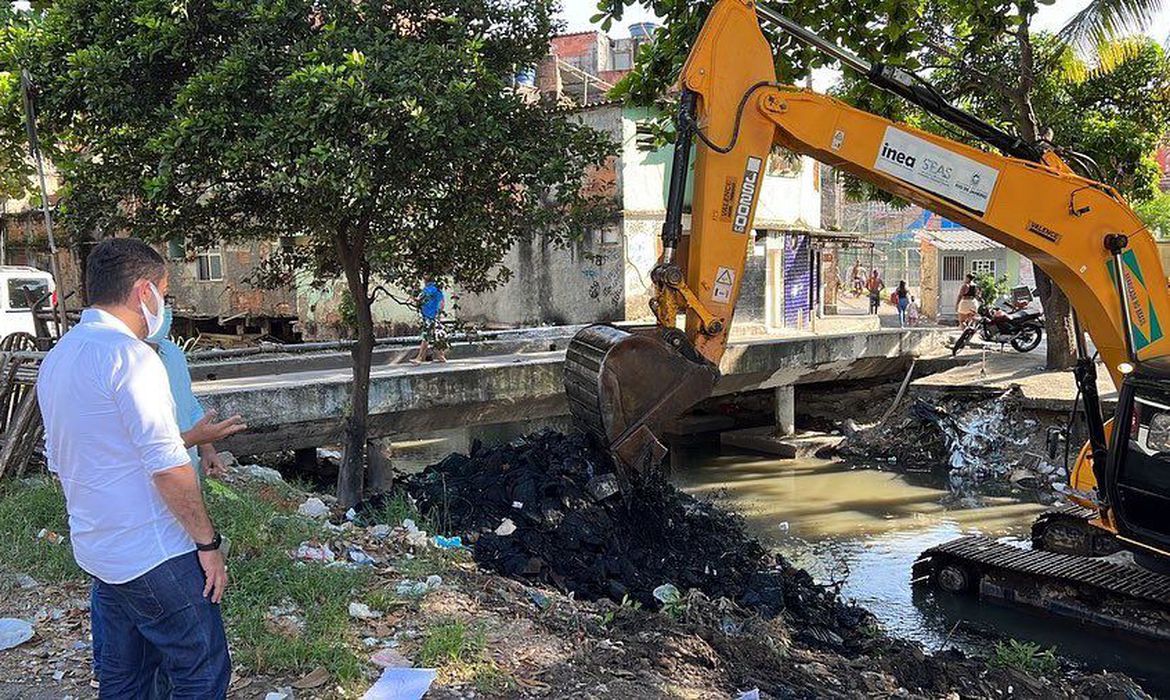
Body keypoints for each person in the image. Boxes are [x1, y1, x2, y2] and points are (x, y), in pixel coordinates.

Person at [38, 239, 241, 697]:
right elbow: (168, 465)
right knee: (201, 670)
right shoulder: (131, 358)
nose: (163, 305)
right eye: (164, 292)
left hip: (100, 550)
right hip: (153, 552)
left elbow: (63, 459)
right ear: (144, 292)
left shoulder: (59, 357)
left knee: (125, 677)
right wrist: (208, 543)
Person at [411, 278, 448, 364]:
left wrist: (438, 314)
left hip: (430, 316)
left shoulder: (431, 289)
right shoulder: (429, 289)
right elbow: (419, 301)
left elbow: (441, 302)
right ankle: (440, 356)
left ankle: (420, 357)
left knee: (426, 336)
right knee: (435, 336)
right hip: (429, 316)